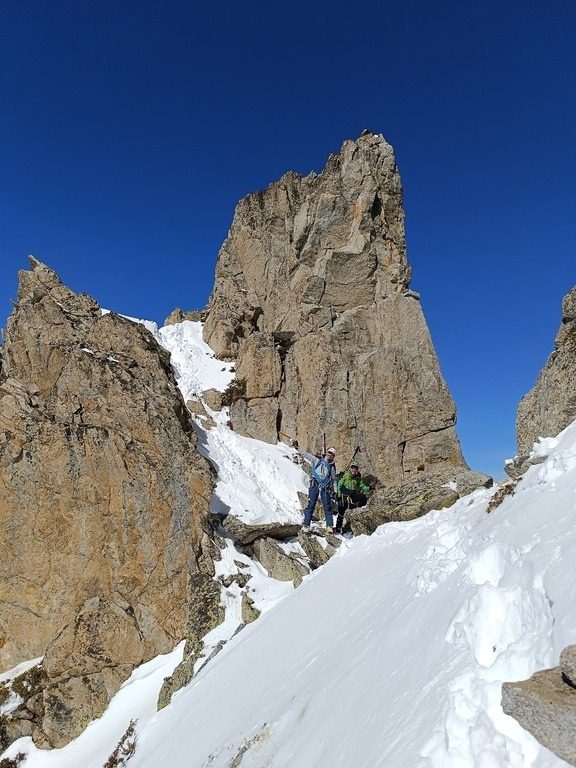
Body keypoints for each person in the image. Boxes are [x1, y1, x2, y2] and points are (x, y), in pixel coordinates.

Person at [293, 441, 337, 533]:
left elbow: (334, 480)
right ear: (327, 453)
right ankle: (306, 525)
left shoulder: (332, 467)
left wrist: (335, 491)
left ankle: (329, 526)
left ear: (333, 456)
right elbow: (306, 455)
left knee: (327, 507)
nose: (330, 455)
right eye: (329, 453)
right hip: (314, 484)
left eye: (332, 454)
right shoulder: (317, 461)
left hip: (325, 488)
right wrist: (297, 448)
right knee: (311, 505)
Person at [335, 461, 371, 533]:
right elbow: (339, 485)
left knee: (363, 498)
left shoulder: (357, 479)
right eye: (353, 468)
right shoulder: (346, 476)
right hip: (344, 497)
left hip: (352, 496)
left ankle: (351, 527)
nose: (354, 470)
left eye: (356, 468)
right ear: (350, 469)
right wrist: (338, 496)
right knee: (341, 513)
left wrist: (369, 488)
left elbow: (362, 486)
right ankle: (338, 528)